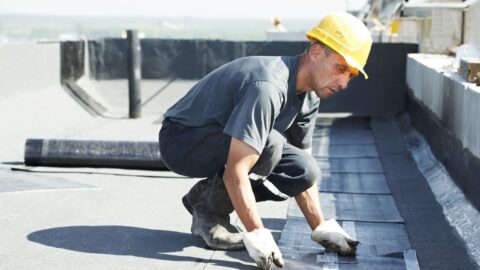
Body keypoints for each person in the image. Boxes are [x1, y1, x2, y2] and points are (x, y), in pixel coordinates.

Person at [159, 12, 372, 270]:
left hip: (221, 142)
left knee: (304, 170)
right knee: (270, 144)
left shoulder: (310, 96)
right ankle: (209, 215)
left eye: (350, 75)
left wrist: (320, 226)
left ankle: (204, 197)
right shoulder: (268, 86)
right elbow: (237, 170)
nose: (344, 83)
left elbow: (303, 163)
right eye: (340, 69)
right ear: (316, 53)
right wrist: (257, 232)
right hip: (183, 140)